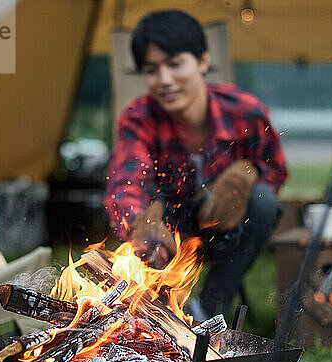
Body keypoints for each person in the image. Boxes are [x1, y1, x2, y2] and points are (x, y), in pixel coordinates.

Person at [103, 10, 288, 319]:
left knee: (264, 203)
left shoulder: (246, 112)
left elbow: (274, 171)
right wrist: (140, 223)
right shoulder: (138, 117)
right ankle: (162, 312)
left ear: (203, 61)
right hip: (169, 231)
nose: (164, 80)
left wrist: (245, 176)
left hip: (228, 229)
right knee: (148, 217)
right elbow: (126, 180)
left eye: (175, 64)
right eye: (151, 70)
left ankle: (209, 307)